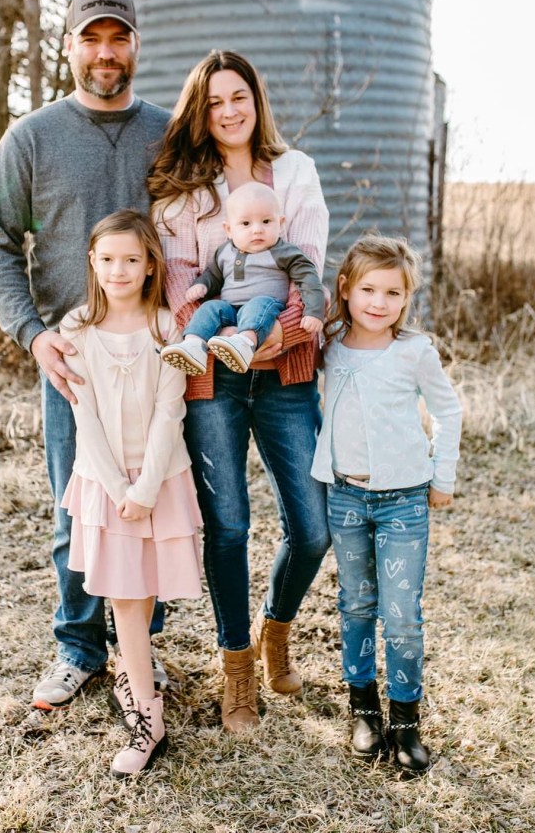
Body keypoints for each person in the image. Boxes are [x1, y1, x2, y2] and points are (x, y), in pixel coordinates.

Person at [0, 0, 171, 710]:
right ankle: (79, 648)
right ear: (69, 47)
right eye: (91, 38)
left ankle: (141, 654)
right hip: (74, 359)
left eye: (118, 38)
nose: (105, 52)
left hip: (158, 354)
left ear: (135, 46)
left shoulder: (170, 132)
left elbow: (204, 233)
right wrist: (32, 337)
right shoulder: (31, 138)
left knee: (156, 502)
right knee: (78, 510)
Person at [149, 49, 331, 733]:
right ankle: (236, 669)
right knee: (228, 526)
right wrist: (219, 338)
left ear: (257, 101)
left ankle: (275, 630)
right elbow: (179, 286)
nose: (229, 110)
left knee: (312, 528)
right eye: (215, 100)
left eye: (240, 96)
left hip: (285, 371)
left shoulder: (296, 173)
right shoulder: (181, 193)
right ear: (200, 110)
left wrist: (272, 338)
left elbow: (307, 267)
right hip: (213, 380)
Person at [310, 233, 462, 776]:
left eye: (393, 293)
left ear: (406, 298)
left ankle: (405, 721)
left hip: (403, 501)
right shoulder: (328, 344)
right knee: (355, 604)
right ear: (345, 289)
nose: (379, 302)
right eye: (368, 289)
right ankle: (364, 709)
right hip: (345, 495)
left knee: (401, 616)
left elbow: (449, 410)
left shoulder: (413, 351)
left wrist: (441, 476)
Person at [59, 210, 202, 777]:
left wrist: (143, 490)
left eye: (132, 260)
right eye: (108, 258)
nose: (118, 269)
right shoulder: (75, 330)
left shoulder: (167, 330)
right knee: (125, 603)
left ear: (150, 267)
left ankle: (133, 675)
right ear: (92, 262)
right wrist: (120, 489)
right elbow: (84, 418)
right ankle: (148, 720)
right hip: (105, 485)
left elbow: (173, 414)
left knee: (141, 601)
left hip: (161, 482)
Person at [160, 181, 324, 375]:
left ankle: (244, 343)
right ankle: (194, 345)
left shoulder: (284, 252)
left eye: (266, 222)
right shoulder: (224, 252)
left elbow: (309, 278)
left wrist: (314, 311)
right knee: (210, 308)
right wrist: (202, 285)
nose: (257, 230)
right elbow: (213, 275)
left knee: (257, 304)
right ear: (229, 230)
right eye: (246, 223)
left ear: (280, 224)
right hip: (231, 311)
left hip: (267, 308)